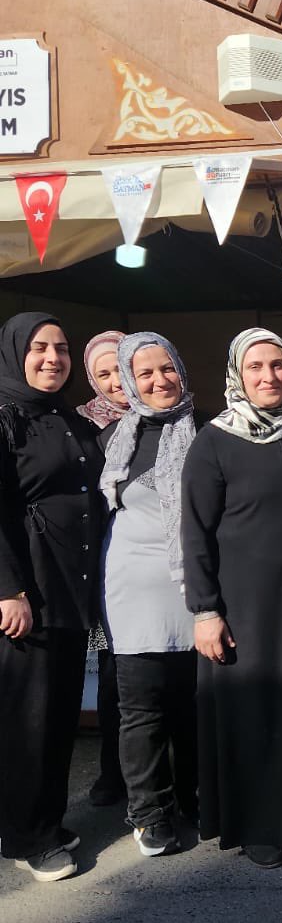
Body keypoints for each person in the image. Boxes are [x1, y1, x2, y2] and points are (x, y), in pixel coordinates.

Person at [181, 328, 282, 869]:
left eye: (277, 365)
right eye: (256, 367)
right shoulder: (215, 441)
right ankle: (260, 823)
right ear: (238, 373)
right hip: (245, 607)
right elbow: (195, 532)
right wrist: (205, 611)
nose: (270, 377)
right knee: (257, 711)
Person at [0, 313, 104, 882]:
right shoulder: (5, 417)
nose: (52, 358)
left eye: (61, 348)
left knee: (58, 712)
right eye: (39, 348)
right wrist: (7, 590)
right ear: (15, 353)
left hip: (68, 584)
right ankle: (28, 837)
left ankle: (45, 818)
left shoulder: (65, 416)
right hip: (28, 589)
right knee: (29, 718)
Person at [99, 332, 199, 859]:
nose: (160, 381)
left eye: (167, 368)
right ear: (129, 381)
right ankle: (149, 812)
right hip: (132, 591)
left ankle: (195, 797)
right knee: (142, 710)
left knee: (194, 704)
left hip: (197, 588)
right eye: (145, 373)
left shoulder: (209, 432)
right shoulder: (109, 440)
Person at [78, 329, 128, 808]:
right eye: (104, 373)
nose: (117, 381)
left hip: (159, 568)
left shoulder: (176, 418)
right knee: (113, 673)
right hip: (104, 570)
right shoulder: (82, 427)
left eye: (122, 367)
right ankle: (113, 772)